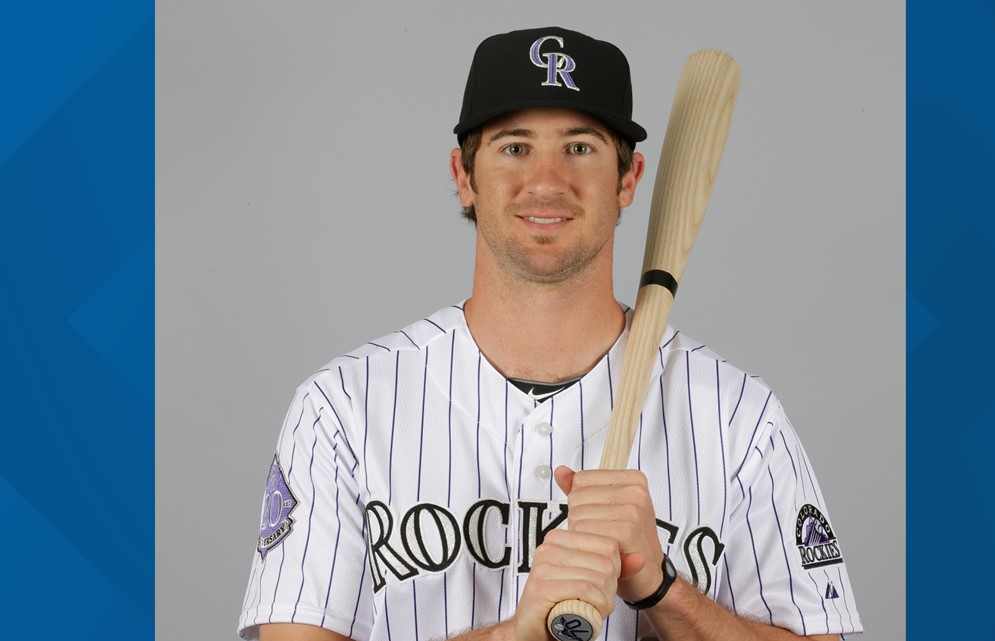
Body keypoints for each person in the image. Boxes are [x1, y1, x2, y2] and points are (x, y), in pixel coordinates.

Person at [237, 26, 863, 641]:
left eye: (580, 147)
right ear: (463, 173)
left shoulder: (740, 420)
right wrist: (511, 637)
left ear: (628, 178)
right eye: (514, 146)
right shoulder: (343, 407)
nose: (546, 181)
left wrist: (661, 589)